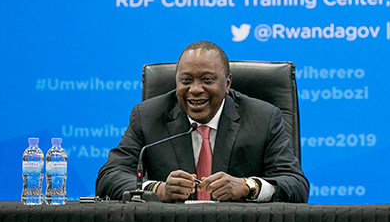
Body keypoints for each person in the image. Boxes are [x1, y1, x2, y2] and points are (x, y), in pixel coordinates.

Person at [96, 41, 309, 203]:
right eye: (186, 81)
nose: (195, 89)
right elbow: (109, 178)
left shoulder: (263, 117)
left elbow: (296, 185)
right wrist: (157, 189)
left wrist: (247, 186)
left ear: (227, 84)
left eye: (207, 80)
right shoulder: (149, 115)